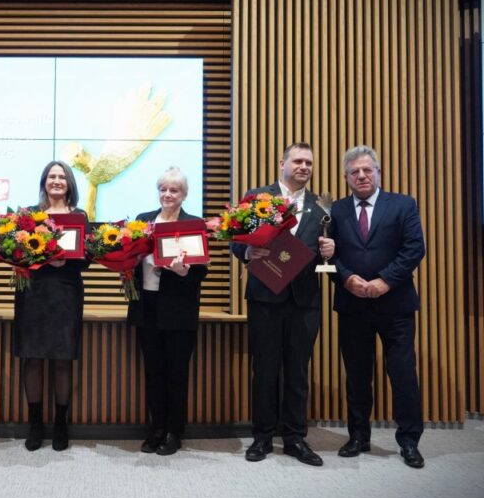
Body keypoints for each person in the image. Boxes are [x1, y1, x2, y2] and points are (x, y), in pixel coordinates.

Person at [231, 142, 334, 466]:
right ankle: (261, 437)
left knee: (297, 372)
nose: (304, 167)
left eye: (309, 163)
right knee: (264, 370)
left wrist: (332, 249)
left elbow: (329, 250)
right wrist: (249, 253)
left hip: (305, 301)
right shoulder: (257, 198)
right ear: (282, 163)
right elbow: (235, 241)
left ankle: (294, 438)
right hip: (265, 296)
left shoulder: (323, 206)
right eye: (298, 161)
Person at [329, 145, 426, 468]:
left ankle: (409, 441)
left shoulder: (403, 204)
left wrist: (385, 280)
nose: (361, 176)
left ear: (378, 172)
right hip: (352, 304)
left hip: (395, 305)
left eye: (367, 170)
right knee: (357, 375)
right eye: (354, 172)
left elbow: (414, 249)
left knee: (402, 374)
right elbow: (330, 255)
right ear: (346, 178)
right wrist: (346, 278)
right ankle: (359, 436)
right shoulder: (337, 211)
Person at [127, 166, 208, 455]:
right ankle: (156, 428)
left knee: (176, 373)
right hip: (146, 306)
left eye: (174, 190)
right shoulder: (143, 220)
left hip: (179, 309)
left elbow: (202, 272)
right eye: (163, 189)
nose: (167, 194)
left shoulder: (194, 223)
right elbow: (130, 258)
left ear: (184, 194)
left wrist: (185, 272)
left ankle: (174, 432)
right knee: (153, 372)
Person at [13, 160, 89, 451]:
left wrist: (66, 259)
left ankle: (60, 424)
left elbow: (88, 259)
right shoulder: (28, 216)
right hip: (33, 291)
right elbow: (17, 254)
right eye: (51, 176)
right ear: (44, 182)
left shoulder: (80, 216)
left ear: (69, 183)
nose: (56, 181)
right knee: (31, 358)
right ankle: (35, 425)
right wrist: (38, 258)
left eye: (61, 177)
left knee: (62, 359)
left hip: (66, 292)